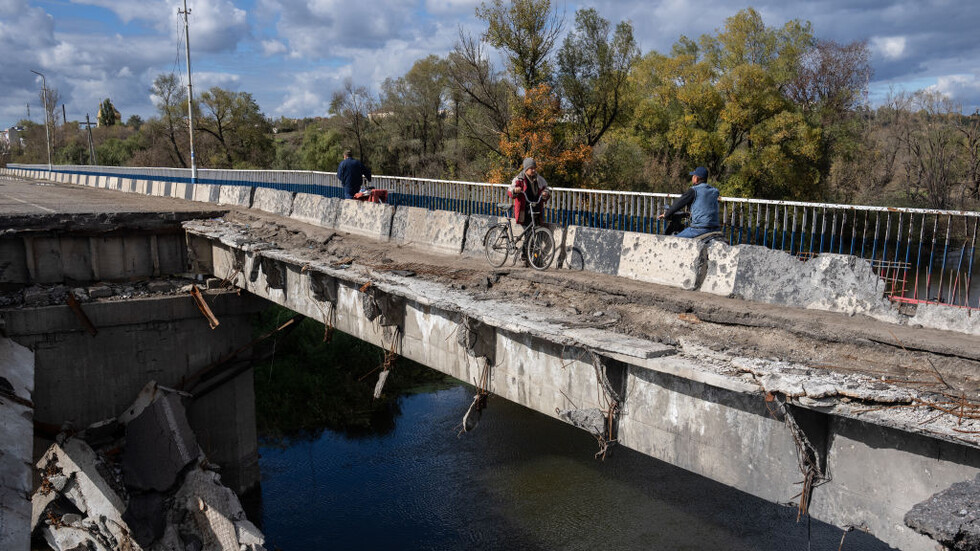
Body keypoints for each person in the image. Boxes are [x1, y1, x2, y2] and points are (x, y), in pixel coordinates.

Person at [658, 166, 720, 238]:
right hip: (716, 228)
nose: (692, 178)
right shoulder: (714, 191)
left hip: (699, 229)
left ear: (696, 178)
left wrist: (666, 214)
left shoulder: (694, 190)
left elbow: (678, 204)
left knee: (674, 240)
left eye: (693, 176)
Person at [508, 157, 551, 227]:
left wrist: (545, 193)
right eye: (531, 168)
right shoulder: (519, 179)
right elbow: (510, 190)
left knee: (537, 227)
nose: (534, 170)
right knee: (528, 230)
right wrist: (515, 190)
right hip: (525, 209)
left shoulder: (539, 179)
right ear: (526, 169)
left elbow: (546, 189)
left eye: (535, 168)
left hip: (536, 207)